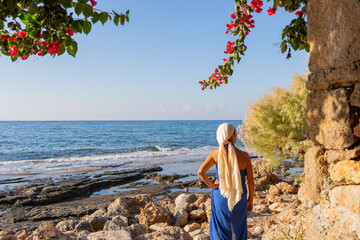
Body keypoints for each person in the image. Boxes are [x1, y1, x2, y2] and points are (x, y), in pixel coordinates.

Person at [198, 123, 255, 240]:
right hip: (240, 196)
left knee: (221, 228)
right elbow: (251, 181)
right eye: (235, 133)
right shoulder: (244, 156)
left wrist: (213, 186)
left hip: (221, 195)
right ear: (233, 136)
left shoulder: (215, 154)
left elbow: (201, 172)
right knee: (238, 228)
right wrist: (250, 200)